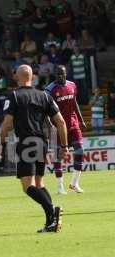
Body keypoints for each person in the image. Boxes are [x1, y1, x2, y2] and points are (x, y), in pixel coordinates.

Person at [0, 64, 67, 233]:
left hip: (26, 142)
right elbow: (60, 122)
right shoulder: (44, 95)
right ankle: (50, 223)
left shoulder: (14, 96)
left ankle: (53, 211)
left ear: (17, 76)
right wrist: (64, 146)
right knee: (39, 183)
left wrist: (1, 142)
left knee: (27, 186)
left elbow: (7, 124)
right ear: (33, 77)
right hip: (41, 142)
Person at [45, 65, 87, 194]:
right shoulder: (49, 90)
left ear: (66, 73)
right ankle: (60, 187)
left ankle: (74, 183)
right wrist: (49, 125)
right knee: (59, 156)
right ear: (54, 75)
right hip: (58, 127)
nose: (60, 76)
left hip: (73, 123)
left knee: (80, 150)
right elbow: (45, 110)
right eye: (57, 74)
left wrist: (81, 120)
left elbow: (75, 103)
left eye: (62, 74)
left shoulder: (72, 85)